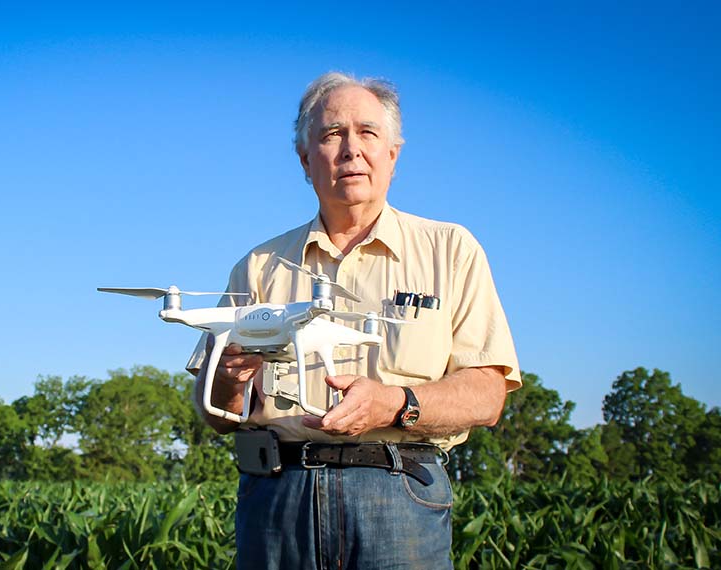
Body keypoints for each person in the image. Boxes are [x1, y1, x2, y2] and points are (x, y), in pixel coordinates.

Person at [186, 71, 521, 570]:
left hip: (400, 494)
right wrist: (229, 385)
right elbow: (215, 412)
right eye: (330, 134)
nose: (350, 149)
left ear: (393, 154)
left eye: (367, 133)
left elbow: (487, 394)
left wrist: (393, 403)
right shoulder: (258, 265)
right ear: (305, 161)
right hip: (276, 498)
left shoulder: (451, 249)